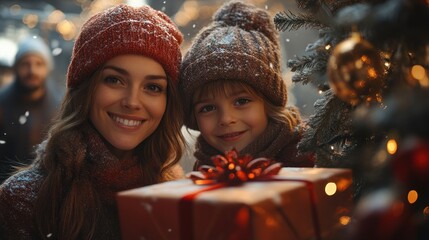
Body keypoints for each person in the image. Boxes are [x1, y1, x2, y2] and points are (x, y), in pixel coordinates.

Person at [0, 4, 185, 239]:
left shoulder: (177, 191)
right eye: (115, 80)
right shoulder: (23, 199)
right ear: (85, 88)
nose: (132, 101)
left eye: (152, 87)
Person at [179, 0, 314, 170]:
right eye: (207, 108)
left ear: (268, 102)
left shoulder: (305, 158)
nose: (226, 119)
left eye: (241, 101)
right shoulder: (205, 167)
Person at [0, 35, 62, 183]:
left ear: (47, 68)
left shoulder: (61, 105)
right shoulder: (1, 103)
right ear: (16, 67)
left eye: (38, 64)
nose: (32, 70)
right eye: (25, 64)